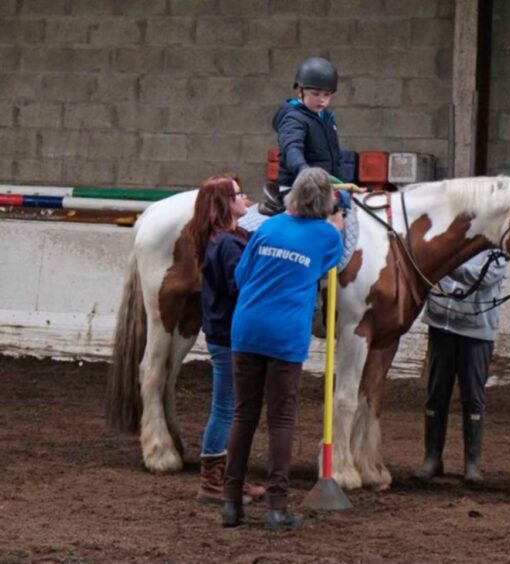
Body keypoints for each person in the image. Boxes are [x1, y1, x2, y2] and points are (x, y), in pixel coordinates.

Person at [221, 168, 344, 531]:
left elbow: (242, 277)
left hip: (246, 327)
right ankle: (276, 506)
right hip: (286, 335)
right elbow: (327, 265)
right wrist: (336, 225)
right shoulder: (326, 236)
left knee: (243, 414)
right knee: (281, 419)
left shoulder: (269, 227)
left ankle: (230, 504)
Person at [189, 174, 266, 505]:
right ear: (225, 204)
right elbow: (241, 287)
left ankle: (228, 477)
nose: (245, 198)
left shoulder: (227, 239)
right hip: (229, 335)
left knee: (230, 407)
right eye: (238, 194)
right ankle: (213, 480)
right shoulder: (229, 244)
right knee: (225, 407)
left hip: (225, 332)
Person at [414, 251, 507, 485]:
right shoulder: (449, 238)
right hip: (441, 324)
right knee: (436, 394)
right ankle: (432, 457)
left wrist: (445, 259)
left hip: (477, 331)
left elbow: (482, 278)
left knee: (473, 397)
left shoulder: (496, 250)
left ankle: (472, 463)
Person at [272, 57, 342, 188]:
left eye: (326, 94)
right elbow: (292, 147)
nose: (321, 99)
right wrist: (303, 170)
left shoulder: (326, 117)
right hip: (299, 189)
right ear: (300, 91)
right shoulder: (293, 119)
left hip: (322, 188)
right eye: (315, 94)